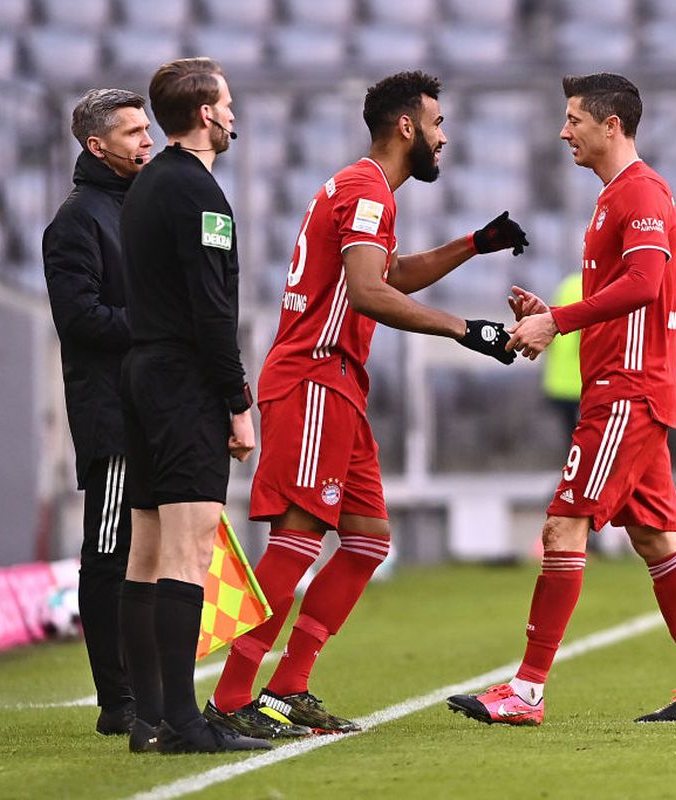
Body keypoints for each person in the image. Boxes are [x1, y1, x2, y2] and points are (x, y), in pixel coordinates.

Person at [207, 70, 529, 739]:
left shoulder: (367, 192)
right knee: (297, 541)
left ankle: (288, 689)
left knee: (367, 540)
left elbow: (388, 273)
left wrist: (472, 245)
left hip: (340, 386)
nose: (444, 139)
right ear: (406, 127)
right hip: (314, 378)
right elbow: (367, 292)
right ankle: (233, 697)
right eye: (437, 125)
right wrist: (467, 329)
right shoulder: (365, 189)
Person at [447, 73, 676, 726]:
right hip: (623, 390)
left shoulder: (642, 194)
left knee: (561, 528)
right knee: (657, 539)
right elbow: (627, 295)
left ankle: (525, 692)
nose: (563, 130)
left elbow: (644, 282)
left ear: (612, 125)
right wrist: (553, 313)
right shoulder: (614, 198)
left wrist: (560, 321)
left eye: (574, 119)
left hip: (626, 394)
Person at [116, 57, 269, 755]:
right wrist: (237, 400)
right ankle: (183, 721)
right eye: (228, 105)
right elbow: (212, 311)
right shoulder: (200, 195)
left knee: (145, 551)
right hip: (182, 384)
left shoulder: (147, 184)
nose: (234, 115)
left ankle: (147, 718)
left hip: (142, 374)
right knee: (189, 546)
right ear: (206, 114)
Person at [43, 88, 153, 738]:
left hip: (154, 409)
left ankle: (148, 685)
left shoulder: (136, 207)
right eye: (134, 131)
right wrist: (158, 328)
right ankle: (118, 701)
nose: (148, 140)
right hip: (113, 415)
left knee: (150, 550)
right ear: (96, 144)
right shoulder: (76, 220)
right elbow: (79, 318)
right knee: (109, 553)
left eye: (147, 129)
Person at [542, 272, 583, 439]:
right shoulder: (598, 289)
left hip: (558, 381)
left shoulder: (566, 285)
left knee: (570, 433)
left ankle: (573, 462)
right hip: (585, 381)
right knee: (589, 435)